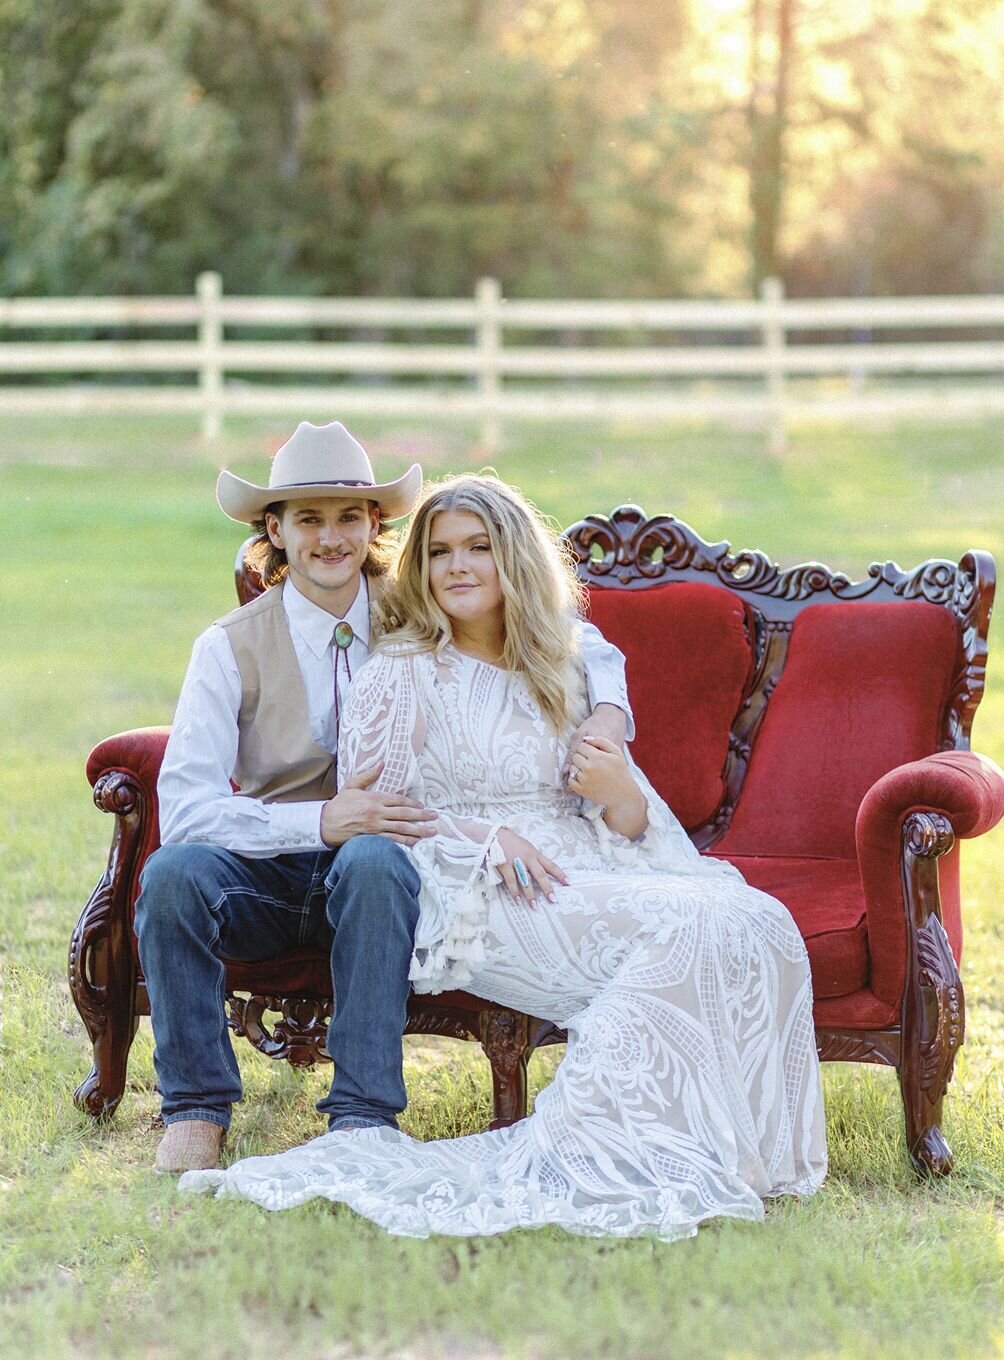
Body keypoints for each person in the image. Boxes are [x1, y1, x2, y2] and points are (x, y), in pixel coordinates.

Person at [180, 473, 827, 1236]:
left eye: (479, 549)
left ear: (515, 558)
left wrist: (619, 787)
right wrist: (484, 838)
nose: (457, 567)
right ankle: (610, 1153)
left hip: (588, 864)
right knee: (681, 932)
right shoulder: (401, 672)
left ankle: (733, 1150)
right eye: (440, 552)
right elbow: (381, 821)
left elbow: (623, 820)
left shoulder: (564, 663)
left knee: (752, 915)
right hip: (478, 889)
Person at [136, 426, 633, 1174]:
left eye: (348, 517)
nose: (330, 538)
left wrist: (609, 712)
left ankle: (363, 1114)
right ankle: (197, 1107)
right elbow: (186, 812)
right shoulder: (229, 645)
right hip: (268, 870)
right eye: (308, 519)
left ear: (376, 525)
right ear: (274, 530)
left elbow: (567, 637)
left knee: (373, 858)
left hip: (394, 862)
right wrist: (317, 818)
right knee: (170, 875)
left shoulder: (418, 604)